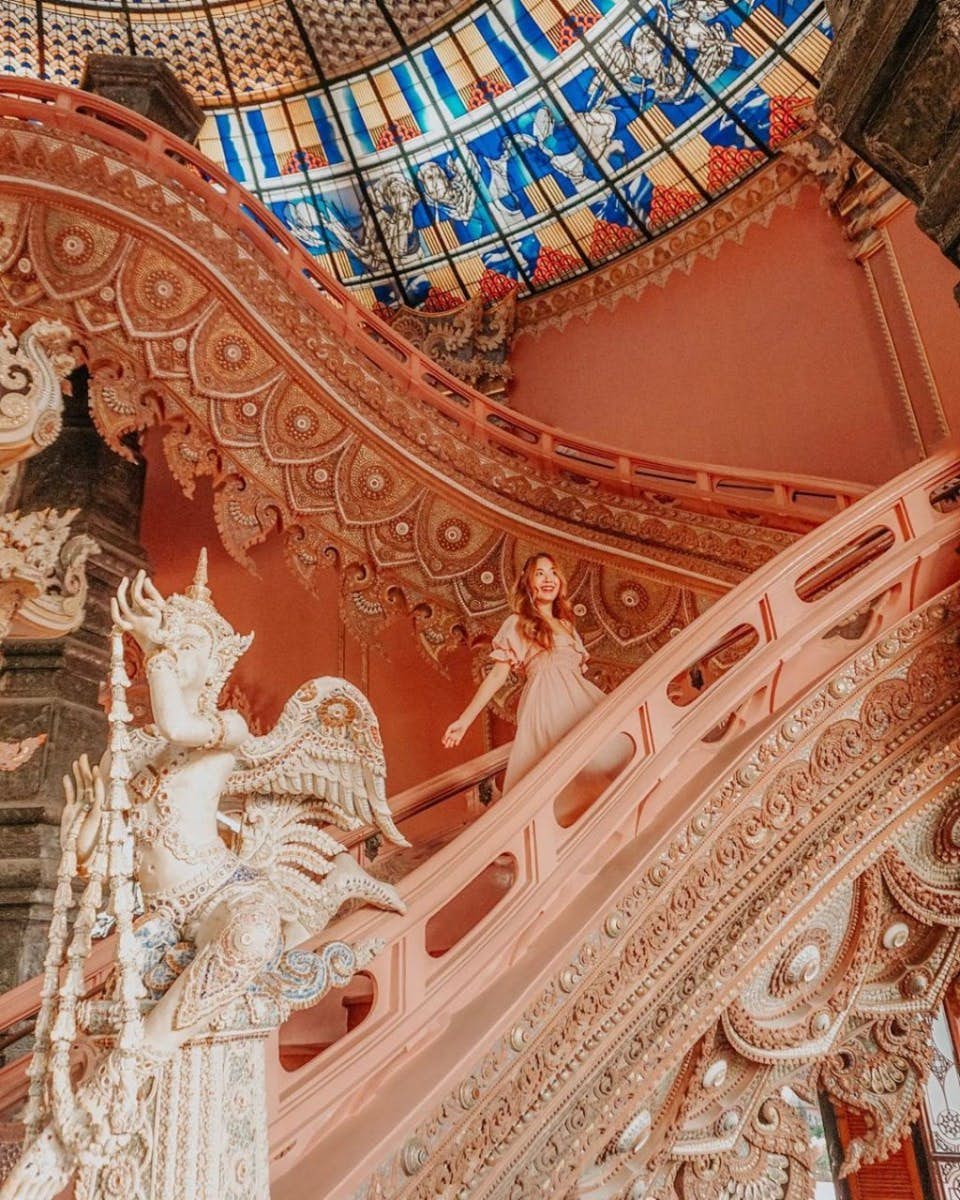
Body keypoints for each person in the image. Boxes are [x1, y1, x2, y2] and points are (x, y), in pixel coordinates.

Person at [442, 553, 605, 791]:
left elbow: (576, 676)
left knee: (610, 751)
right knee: (554, 775)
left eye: (553, 573)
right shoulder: (518, 622)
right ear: (528, 582)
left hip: (577, 700)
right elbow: (497, 675)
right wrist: (464, 720)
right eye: (540, 574)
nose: (548, 579)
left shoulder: (568, 626)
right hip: (546, 701)